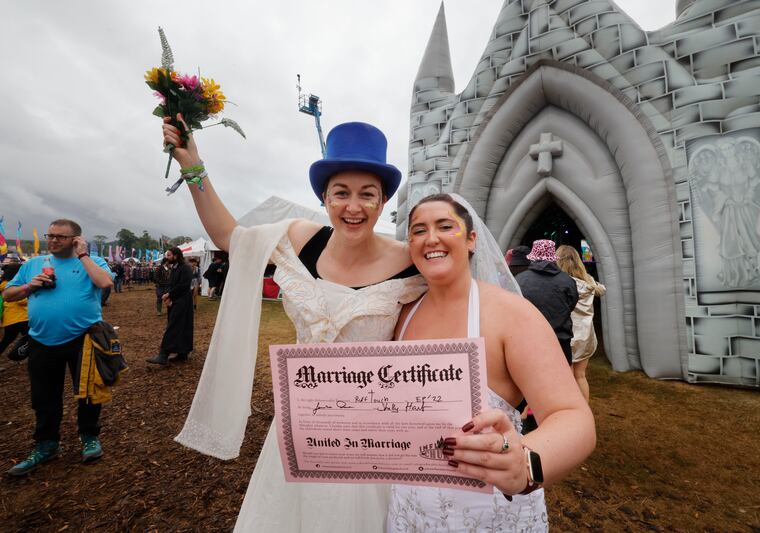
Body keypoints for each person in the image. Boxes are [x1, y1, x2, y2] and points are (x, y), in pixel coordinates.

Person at [161, 118, 426, 531]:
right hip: (301, 424)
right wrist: (193, 167)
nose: (352, 207)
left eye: (367, 195)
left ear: (383, 201)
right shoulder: (301, 239)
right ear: (324, 197)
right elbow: (231, 237)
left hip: (370, 436)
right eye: (341, 193)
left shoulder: (409, 260)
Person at [386, 194, 595, 531]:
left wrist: (525, 462)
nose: (431, 238)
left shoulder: (512, 315)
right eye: (418, 230)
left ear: (471, 240)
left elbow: (573, 417)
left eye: (445, 226)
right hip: (408, 510)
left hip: (487, 513)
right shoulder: (403, 315)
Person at [3, 219, 113, 476]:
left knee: (87, 392)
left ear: (76, 239)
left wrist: (83, 254)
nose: (53, 241)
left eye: (60, 237)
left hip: (83, 338)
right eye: (50, 235)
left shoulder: (91, 262)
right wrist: (31, 285)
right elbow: (8, 295)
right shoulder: (33, 265)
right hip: (41, 340)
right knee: (43, 396)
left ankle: (89, 437)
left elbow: (105, 283)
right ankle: (47, 444)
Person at [515, 239, 578, 364]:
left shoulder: (519, 280)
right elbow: (571, 304)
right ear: (553, 258)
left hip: (529, 341)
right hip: (560, 341)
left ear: (533, 257)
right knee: (561, 379)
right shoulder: (567, 280)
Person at [557, 244, 606, 401]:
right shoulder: (588, 282)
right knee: (580, 376)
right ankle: (583, 410)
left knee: (567, 377)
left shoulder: (561, 283)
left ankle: (569, 411)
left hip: (567, 334)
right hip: (586, 336)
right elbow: (602, 290)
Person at [147, 248, 194, 365]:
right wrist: (168, 297)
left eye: (169, 255)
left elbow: (184, 285)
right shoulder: (175, 267)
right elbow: (171, 284)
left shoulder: (186, 268)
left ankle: (164, 354)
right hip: (175, 300)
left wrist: (169, 294)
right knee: (179, 325)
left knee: (175, 326)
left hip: (183, 301)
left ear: (176, 256)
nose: (167, 257)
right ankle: (182, 353)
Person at [0, 262, 29, 361]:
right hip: (20, 318)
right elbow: (21, 301)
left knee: (6, 341)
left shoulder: (3, 284)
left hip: (10, 320)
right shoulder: (11, 285)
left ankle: (20, 354)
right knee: (34, 336)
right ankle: (18, 354)